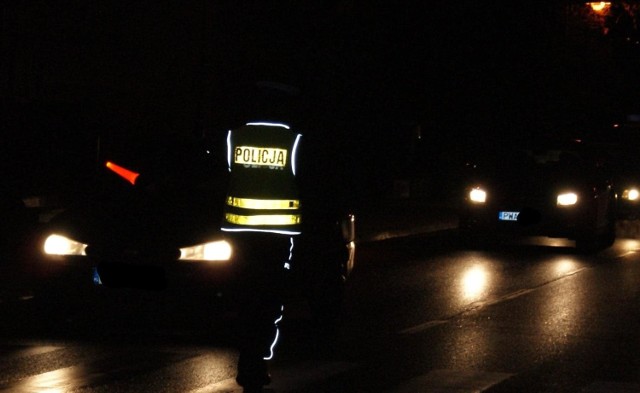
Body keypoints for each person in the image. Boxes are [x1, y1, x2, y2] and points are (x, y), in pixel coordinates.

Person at [221, 82, 303, 391]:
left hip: (239, 232)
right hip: (277, 237)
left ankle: (247, 357)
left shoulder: (235, 136)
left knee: (244, 295)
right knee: (269, 298)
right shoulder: (293, 140)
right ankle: (257, 360)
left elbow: (227, 175)